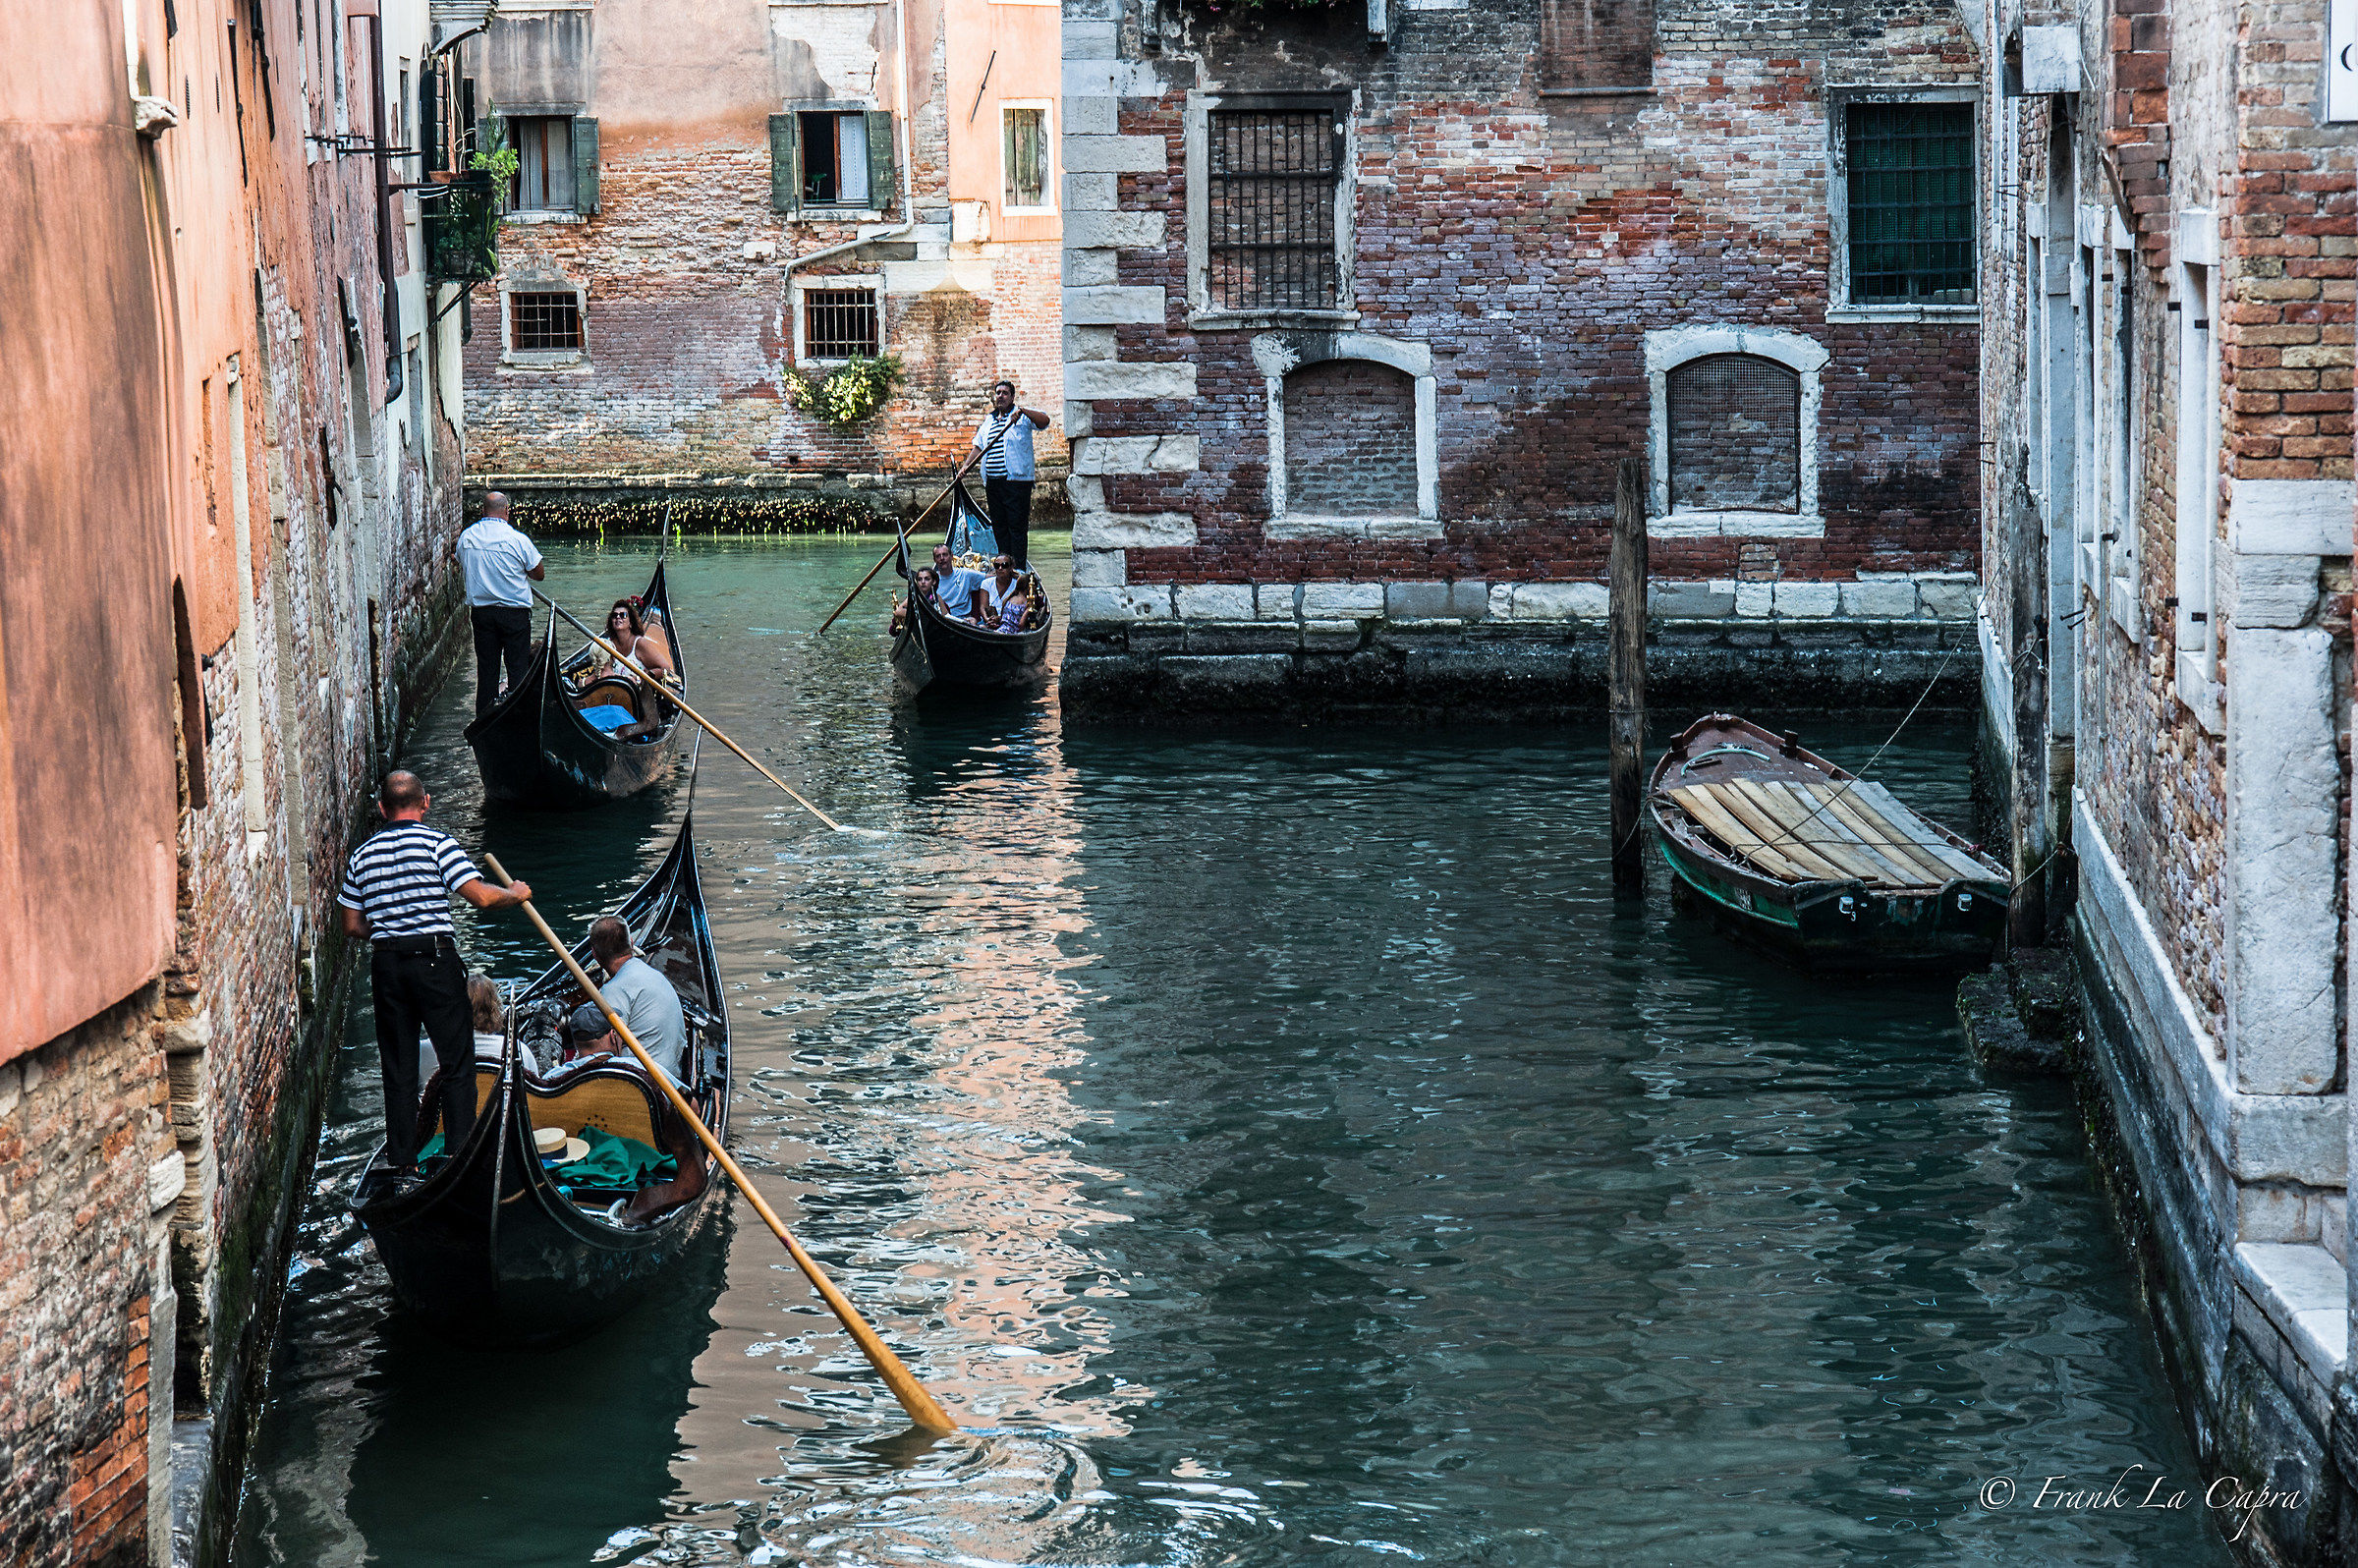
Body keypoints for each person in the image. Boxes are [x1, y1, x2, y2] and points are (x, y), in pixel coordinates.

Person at [340, 771, 533, 1174]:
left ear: (382, 809)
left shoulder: (361, 855)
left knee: (399, 1069)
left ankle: (403, 1166)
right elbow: (481, 897)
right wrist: (515, 894)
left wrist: (392, 928)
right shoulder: (437, 843)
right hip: (433, 962)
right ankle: (459, 1159)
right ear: (425, 803)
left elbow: (352, 925)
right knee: (457, 1063)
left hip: (388, 967)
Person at [457, 491, 545, 715]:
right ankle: (519, 718)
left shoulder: (467, 538)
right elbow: (539, 574)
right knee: (518, 669)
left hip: (482, 615)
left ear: (482, 511)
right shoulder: (518, 540)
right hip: (514, 615)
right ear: (507, 511)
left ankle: (484, 719)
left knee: (487, 671)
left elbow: (460, 560)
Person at [954, 380, 1051, 569]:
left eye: (1005, 393)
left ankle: (1019, 569)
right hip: (993, 483)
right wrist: (965, 467)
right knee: (999, 528)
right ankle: (1004, 568)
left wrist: (1023, 411)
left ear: (1012, 397)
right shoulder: (989, 421)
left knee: (1017, 528)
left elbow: (1045, 421)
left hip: (1016, 483)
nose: (1001, 396)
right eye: (998, 392)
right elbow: (978, 447)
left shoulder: (1022, 417)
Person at [589, 916, 688, 1082]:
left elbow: (605, 1050)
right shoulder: (654, 974)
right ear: (631, 943)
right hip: (671, 1073)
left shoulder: (613, 990)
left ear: (595, 955)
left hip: (646, 1082)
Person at [594, 598, 674, 681]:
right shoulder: (607, 645)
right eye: (614, 615)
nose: (618, 617)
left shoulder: (640, 643)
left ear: (631, 623)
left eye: (623, 615)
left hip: (638, 688)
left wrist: (640, 678)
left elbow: (665, 668)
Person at [930, 542, 985, 623]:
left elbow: (991, 578)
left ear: (951, 556)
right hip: (941, 620)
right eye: (938, 556)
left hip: (964, 620)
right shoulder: (931, 580)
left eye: (945, 555)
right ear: (935, 560)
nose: (942, 558)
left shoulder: (965, 574)